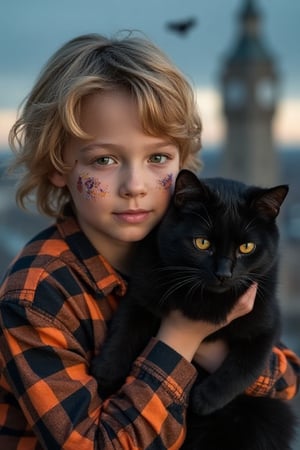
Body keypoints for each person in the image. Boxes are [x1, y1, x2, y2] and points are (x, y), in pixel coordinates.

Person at [0, 33, 299, 450]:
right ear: (57, 166)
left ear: (182, 161)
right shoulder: (37, 296)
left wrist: (211, 347)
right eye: (104, 160)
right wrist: (179, 336)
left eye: (157, 158)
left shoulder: (189, 250)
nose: (135, 186)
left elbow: (285, 380)